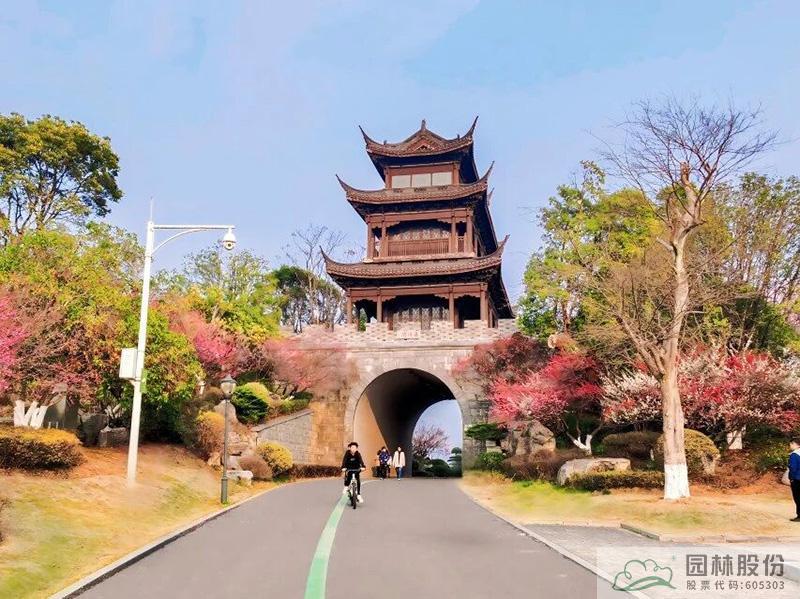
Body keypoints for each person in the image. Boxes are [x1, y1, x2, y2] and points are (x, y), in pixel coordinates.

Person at [789, 438, 800, 522]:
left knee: (798, 497)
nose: (790, 446)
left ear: (795, 444)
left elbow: (793, 468)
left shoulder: (794, 455)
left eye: (791, 444)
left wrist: (792, 478)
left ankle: (799, 516)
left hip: (797, 479)